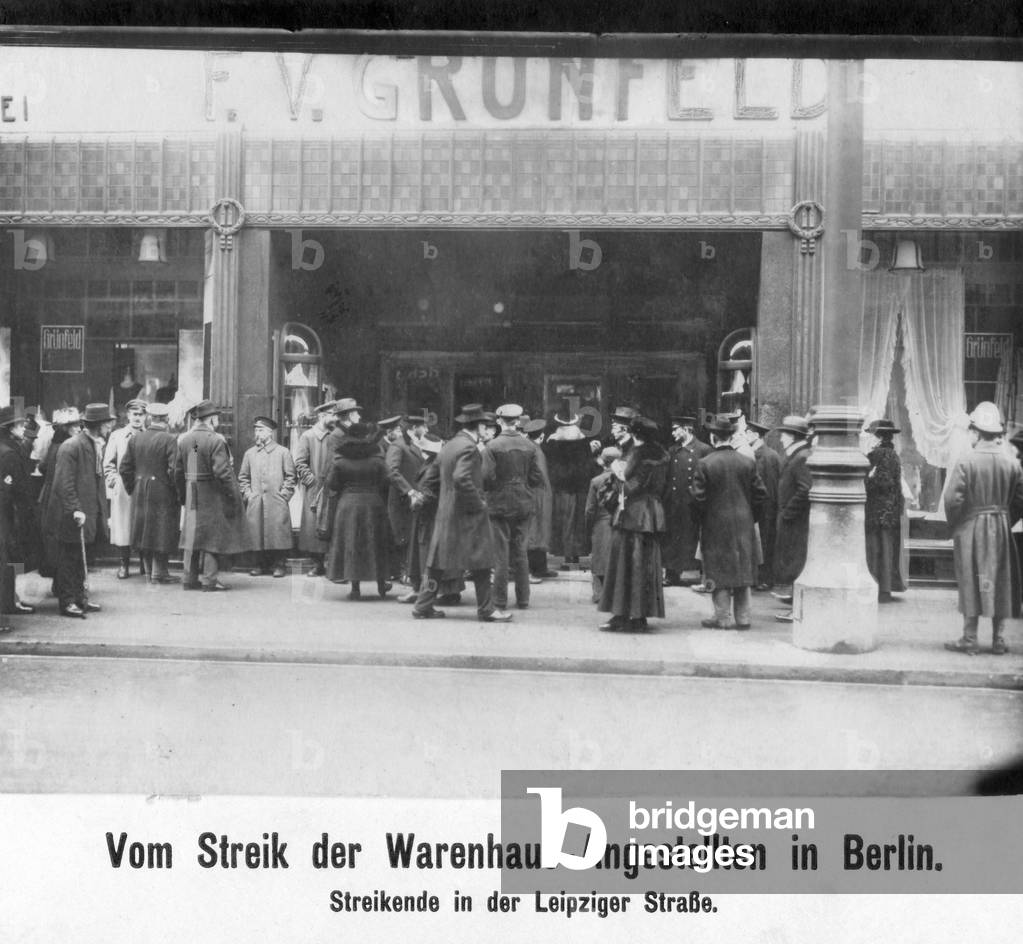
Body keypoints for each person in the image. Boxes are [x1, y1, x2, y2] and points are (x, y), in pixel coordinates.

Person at [412, 403, 510, 622]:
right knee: (482, 563)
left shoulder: (448, 446)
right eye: (486, 426)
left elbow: (430, 479)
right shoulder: (469, 448)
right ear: (478, 426)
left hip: (445, 513)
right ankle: (487, 609)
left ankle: (422, 605)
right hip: (467, 515)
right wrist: (478, 504)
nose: (488, 430)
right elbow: (461, 478)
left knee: (436, 564)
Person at [943, 402, 1023, 655]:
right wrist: (1005, 520)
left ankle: (969, 638)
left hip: (971, 527)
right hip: (1000, 525)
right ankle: (998, 640)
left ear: (977, 432)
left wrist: (959, 524)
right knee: (999, 580)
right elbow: (1020, 499)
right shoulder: (1012, 462)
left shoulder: (966, 460)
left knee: (972, 579)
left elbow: (952, 500)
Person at [690, 414, 768, 629]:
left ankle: (722, 617)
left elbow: (698, 498)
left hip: (715, 524)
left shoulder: (705, 463)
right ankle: (743, 618)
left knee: (717, 569)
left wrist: (700, 520)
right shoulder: (747, 462)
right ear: (732, 436)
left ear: (714, 437)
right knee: (743, 569)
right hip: (744, 522)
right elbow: (761, 494)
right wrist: (751, 516)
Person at [597, 415, 669, 633]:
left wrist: (617, 472)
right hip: (651, 515)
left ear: (636, 434)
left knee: (625, 565)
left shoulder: (639, 455)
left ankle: (623, 615)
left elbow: (630, 487)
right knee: (644, 567)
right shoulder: (662, 455)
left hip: (633, 514)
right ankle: (638, 616)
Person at [43, 402, 115, 618]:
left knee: (81, 560)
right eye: (106, 424)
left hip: (89, 514)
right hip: (72, 515)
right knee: (69, 560)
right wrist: (75, 509)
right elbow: (63, 483)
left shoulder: (94, 444)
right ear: (97, 425)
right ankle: (68, 602)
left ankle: (80, 598)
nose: (109, 427)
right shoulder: (71, 446)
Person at [175, 400, 249, 592]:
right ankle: (209, 581)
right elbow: (223, 473)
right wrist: (233, 496)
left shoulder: (185, 440)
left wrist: (182, 496)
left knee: (192, 535)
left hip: (192, 492)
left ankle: (188, 579)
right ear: (212, 419)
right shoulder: (216, 440)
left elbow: (176, 471)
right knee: (211, 538)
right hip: (211, 493)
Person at [484, 403, 544, 611]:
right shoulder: (530, 446)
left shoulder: (492, 446)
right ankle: (523, 599)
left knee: (500, 554)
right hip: (524, 502)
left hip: (499, 503)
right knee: (520, 552)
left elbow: (486, 477)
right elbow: (537, 477)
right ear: (518, 422)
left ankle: (500, 600)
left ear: (500, 422)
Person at [324, 422, 392, 599]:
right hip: (373, 503)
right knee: (376, 544)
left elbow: (331, 483)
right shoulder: (377, 456)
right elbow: (387, 480)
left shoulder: (340, 458)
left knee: (351, 543)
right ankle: (381, 584)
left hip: (348, 504)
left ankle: (355, 588)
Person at [119, 402, 181, 584]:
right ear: (166, 419)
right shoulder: (170, 439)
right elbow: (174, 470)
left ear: (150, 418)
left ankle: (148, 571)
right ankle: (159, 572)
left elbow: (124, 468)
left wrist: (133, 487)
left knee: (144, 530)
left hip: (140, 491)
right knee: (161, 530)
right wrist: (175, 491)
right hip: (162, 492)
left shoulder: (136, 439)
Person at [239, 416, 297, 578]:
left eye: (261, 430)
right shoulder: (249, 454)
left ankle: (279, 565)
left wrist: (283, 495)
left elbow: (291, 477)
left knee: (277, 531)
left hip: (276, 501)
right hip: (256, 500)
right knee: (257, 532)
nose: (257, 433)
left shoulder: (283, 452)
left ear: (270, 433)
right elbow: (243, 478)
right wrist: (249, 495)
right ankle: (258, 564)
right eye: (256, 430)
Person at [772, 414, 814, 623]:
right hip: (793, 521)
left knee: (797, 564)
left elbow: (805, 489)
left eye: (784, 434)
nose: (781, 438)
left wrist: (788, 513)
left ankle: (798, 610)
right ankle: (796, 607)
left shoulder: (802, 456)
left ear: (793, 436)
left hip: (796, 523)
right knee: (794, 563)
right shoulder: (799, 454)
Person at [662, 412, 712, 586]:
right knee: (672, 537)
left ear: (686, 429)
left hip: (693, 503)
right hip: (674, 502)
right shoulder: (673, 450)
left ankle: (699, 573)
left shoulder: (703, 449)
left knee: (692, 537)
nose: (673, 433)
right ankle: (671, 573)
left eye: (676, 429)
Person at [864, 418, 909, 603]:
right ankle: (885, 587)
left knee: (877, 548)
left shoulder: (879, 455)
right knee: (886, 548)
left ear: (878, 437)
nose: (869, 439)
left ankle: (879, 588)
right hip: (889, 510)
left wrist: (867, 479)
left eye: (871, 435)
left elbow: (883, 482)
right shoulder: (892, 454)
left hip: (878, 510)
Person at [0, 405, 36, 622]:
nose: (24, 428)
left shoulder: (9, 448)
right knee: (8, 560)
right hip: (8, 516)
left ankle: (10, 600)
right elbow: (10, 490)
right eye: (21, 425)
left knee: (9, 561)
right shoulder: (8, 453)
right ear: (10, 428)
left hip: (7, 514)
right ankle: (8, 604)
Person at [104, 398, 147, 579]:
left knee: (144, 523)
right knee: (123, 525)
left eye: (141, 414)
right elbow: (108, 462)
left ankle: (145, 564)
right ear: (128, 415)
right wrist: (114, 480)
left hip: (144, 486)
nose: (138, 418)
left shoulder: (149, 435)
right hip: (123, 488)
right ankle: (124, 564)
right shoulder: (117, 435)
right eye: (134, 414)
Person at [38, 407, 81, 584]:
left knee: (55, 540)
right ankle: (62, 583)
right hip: (58, 498)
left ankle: (60, 581)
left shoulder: (55, 445)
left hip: (50, 495)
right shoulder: (65, 447)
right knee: (62, 540)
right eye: (73, 425)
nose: (78, 428)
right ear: (64, 428)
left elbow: (42, 467)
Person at [544, 411, 593, 568]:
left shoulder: (552, 441)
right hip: (580, 487)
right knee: (578, 520)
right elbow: (588, 465)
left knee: (564, 519)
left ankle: (565, 553)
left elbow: (550, 465)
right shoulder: (584, 441)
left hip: (561, 487)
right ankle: (576, 554)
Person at [294, 400, 336, 577]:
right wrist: (311, 481)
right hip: (315, 489)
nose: (335, 418)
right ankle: (317, 564)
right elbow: (300, 462)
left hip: (333, 486)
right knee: (313, 527)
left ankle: (331, 564)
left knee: (330, 523)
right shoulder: (308, 436)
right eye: (332, 415)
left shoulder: (335, 435)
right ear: (322, 416)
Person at [381, 414, 425, 583]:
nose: (426, 430)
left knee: (409, 535)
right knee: (401, 536)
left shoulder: (413, 444)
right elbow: (392, 471)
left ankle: (408, 572)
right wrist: (410, 491)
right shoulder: (398, 446)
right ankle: (402, 572)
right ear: (414, 428)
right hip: (401, 499)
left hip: (412, 499)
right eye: (424, 427)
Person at [746, 418, 781, 591]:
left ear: (755, 435)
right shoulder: (755, 453)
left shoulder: (767, 456)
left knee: (765, 542)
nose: (745, 436)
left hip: (765, 508)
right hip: (757, 507)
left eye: (747, 433)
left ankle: (765, 578)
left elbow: (770, 486)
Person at [584, 446, 620, 605]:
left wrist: (588, 527)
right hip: (620, 522)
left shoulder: (596, 481)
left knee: (599, 559)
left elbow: (589, 510)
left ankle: (599, 594)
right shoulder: (624, 479)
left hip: (601, 523)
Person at [522, 418, 555, 582]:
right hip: (537, 496)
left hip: (534, 494)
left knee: (537, 531)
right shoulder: (536, 451)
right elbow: (540, 476)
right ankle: (533, 571)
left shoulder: (529, 447)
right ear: (541, 436)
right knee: (535, 532)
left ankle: (540, 568)